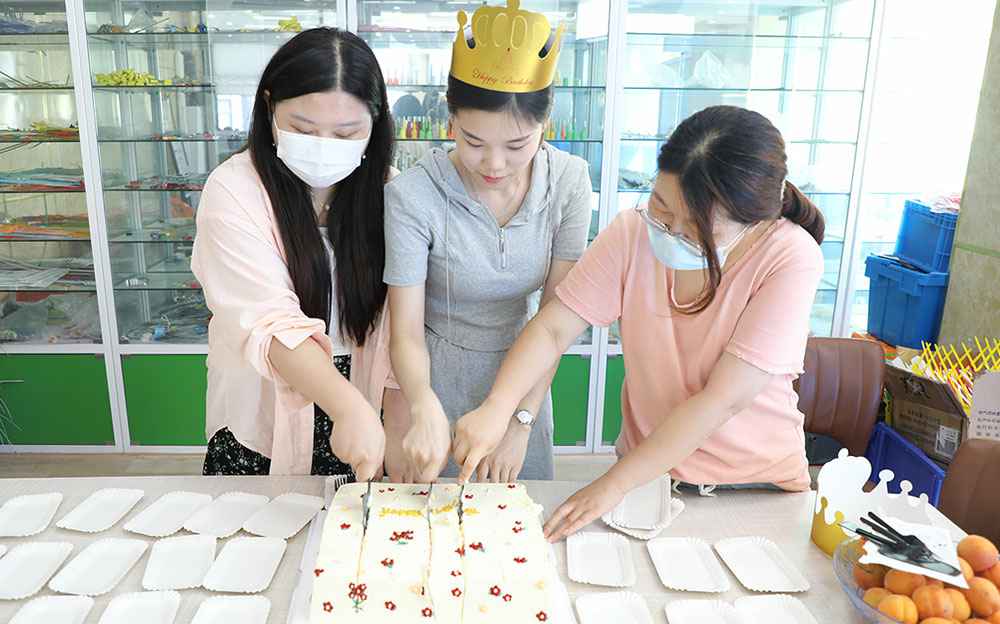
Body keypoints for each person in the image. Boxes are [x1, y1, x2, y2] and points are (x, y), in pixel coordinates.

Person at [452, 105, 826, 541]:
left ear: (751, 221)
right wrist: (498, 407)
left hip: (753, 490)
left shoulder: (789, 257)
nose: (670, 231)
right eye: (661, 207)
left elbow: (721, 400)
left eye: (695, 229)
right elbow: (553, 328)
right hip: (651, 480)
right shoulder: (633, 233)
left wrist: (610, 486)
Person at [381, 0, 592, 483]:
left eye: (517, 145)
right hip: (430, 376)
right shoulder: (413, 195)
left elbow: (554, 322)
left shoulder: (569, 183)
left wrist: (521, 421)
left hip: (527, 377)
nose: (494, 164)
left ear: (545, 123)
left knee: (515, 514)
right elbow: (405, 332)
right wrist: (422, 403)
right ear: (451, 118)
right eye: (473, 141)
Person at [191, 28, 396, 480]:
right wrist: (348, 406)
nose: (323, 146)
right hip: (263, 418)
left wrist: (386, 413)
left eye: (346, 133)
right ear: (269, 107)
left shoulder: (390, 193)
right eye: (303, 129)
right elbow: (269, 320)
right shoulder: (234, 190)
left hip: (363, 408)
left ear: (375, 124)